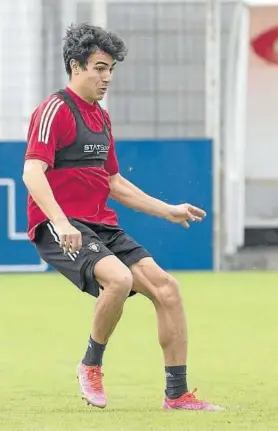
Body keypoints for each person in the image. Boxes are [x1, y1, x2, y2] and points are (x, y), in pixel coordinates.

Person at [22, 23, 223, 411]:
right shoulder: (54, 110)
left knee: (168, 289)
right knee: (119, 278)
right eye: (99, 67)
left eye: (111, 68)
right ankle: (90, 365)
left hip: (99, 224)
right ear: (75, 66)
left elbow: (113, 182)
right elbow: (32, 172)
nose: (107, 77)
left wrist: (168, 210)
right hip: (59, 225)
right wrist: (62, 223)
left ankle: (177, 395)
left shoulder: (101, 118)